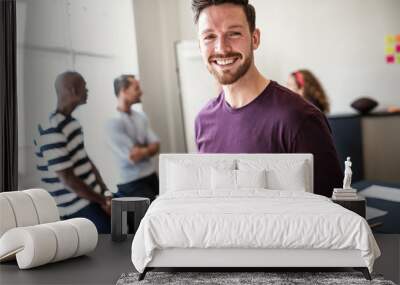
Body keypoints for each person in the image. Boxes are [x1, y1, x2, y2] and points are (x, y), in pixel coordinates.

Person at [192, 0, 342, 197]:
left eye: (234, 33)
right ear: (199, 46)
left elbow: (334, 214)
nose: (221, 48)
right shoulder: (203, 121)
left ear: (255, 39)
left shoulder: (299, 118)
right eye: (209, 37)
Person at [36, 71, 111, 233]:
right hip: (75, 207)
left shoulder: (73, 124)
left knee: (130, 219)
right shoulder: (52, 129)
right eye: (85, 87)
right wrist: (103, 202)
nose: (88, 91)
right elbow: (68, 179)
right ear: (73, 90)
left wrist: (106, 192)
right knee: (115, 233)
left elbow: (85, 160)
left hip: (93, 197)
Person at [106, 75, 160, 201]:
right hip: (131, 182)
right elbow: (133, 156)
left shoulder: (140, 116)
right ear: (124, 91)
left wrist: (142, 150)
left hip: (150, 175)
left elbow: (156, 145)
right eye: (136, 88)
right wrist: (147, 149)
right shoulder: (113, 122)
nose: (141, 92)